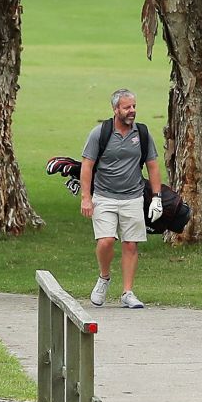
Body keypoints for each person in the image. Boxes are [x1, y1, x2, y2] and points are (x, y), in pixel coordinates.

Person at [79, 88, 163, 309]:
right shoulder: (100, 133)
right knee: (106, 241)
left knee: (130, 244)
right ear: (115, 109)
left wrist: (157, 197)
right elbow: (87, 165)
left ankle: (127, 292)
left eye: (134, 106)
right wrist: (85, 197)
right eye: (127, 107)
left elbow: (152, 166)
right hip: (104, 196)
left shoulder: (142, 134)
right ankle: (104, 277)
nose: (132, 111)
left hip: (133, 197)